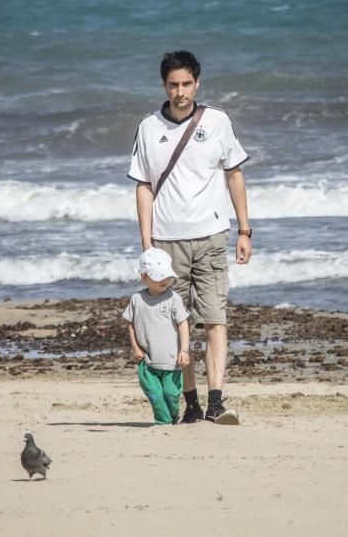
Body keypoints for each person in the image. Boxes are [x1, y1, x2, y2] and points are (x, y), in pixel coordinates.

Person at [128, 50, 252, 425]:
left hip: (213, 236)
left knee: (215, 319)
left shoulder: (218, 121)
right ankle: (192, 403)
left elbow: (234, 175)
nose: (180, 91)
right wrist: (147, 244)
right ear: (164, 85)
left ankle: (216, 401)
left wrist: (245, 230)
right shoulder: (148, 128)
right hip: (166, 244)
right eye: (173, 84)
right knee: (172, 328)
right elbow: (144, 188)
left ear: (197, 83)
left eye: (186, 84)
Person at [122, 248, 192, 425]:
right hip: (147, 361)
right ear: (144, 276)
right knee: (154, 394)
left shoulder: (173, 298)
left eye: (166, 276)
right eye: (158, 276)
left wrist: (184, 350)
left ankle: (174, 414)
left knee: (171, 394)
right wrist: (135, 348)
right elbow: (130, 324)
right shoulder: (137, 299)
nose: (164, 280)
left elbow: (183, 323)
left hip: (171, 361)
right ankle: (163, 421)